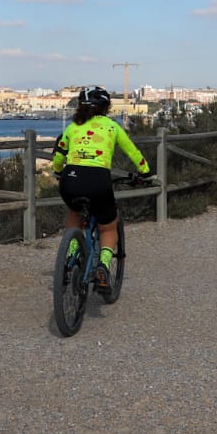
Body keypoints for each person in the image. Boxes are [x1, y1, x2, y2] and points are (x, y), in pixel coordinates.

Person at [52, 86, 154, 292]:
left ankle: (71, 256)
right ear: (106, 108)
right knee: (108, 226)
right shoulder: (112, 127)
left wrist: (58, 172)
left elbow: (59, 154)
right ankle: (103, 267)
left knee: (74, 212)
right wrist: (145, 173)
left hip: (70, 179)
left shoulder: (72, 127)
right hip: (98, 181)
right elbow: (133, 152)